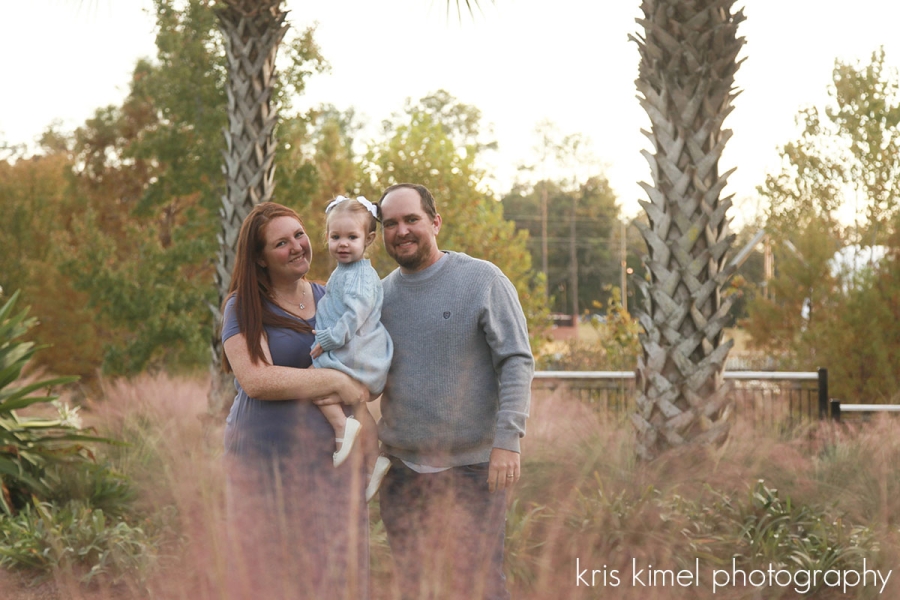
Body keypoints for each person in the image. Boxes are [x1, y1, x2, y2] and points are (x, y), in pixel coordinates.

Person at [378, 183, 534, 600]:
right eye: (390, 223)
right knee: (414, 586)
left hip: (472, 469)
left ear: (435, 221)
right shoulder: (380, 296)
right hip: (403, 472)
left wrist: (508, 441)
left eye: (411, 219)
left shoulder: (482, 279)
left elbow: (517, 361)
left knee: (479, 584)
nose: (402, 231)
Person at [220, 202, 371, 600]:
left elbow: (364, 369)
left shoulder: (333, 297)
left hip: (333, 459)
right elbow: (256, 379)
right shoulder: (244, 305)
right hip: (265, 458)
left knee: (338, 573)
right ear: (261, 258)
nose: (297, 247)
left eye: (299, 235)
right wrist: (335, 382)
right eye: (281, 243)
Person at [310, 195, 394, 500]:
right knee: (361, 409)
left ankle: (340, 428)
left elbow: (353, 317)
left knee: (312, 380)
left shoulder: (359, 275)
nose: (342, 244)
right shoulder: (345, 271)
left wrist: (326, 341)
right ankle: (375, 460)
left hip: (355, 352)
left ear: (369, 239)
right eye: (335, 237)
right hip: (357, 352)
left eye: (351, 237)